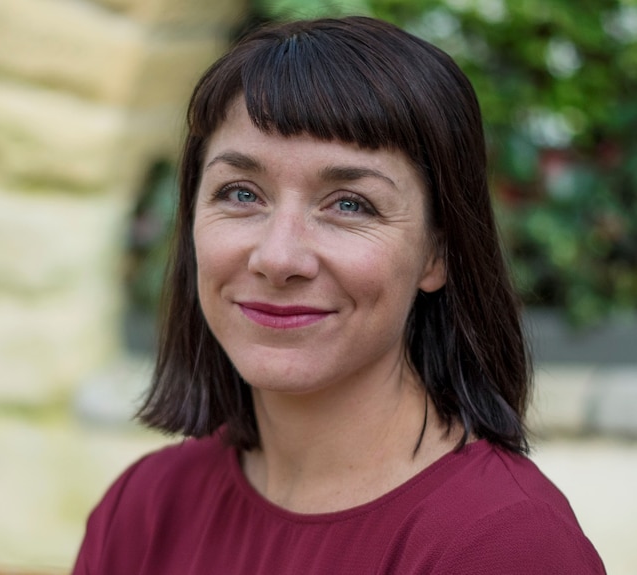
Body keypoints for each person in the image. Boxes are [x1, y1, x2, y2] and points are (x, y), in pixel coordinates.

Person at [73, 15, 605, 574]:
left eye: (350, 204)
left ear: (437, 253)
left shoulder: (505, 546)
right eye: (241, 193)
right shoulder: (145, 509)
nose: (278, 258)